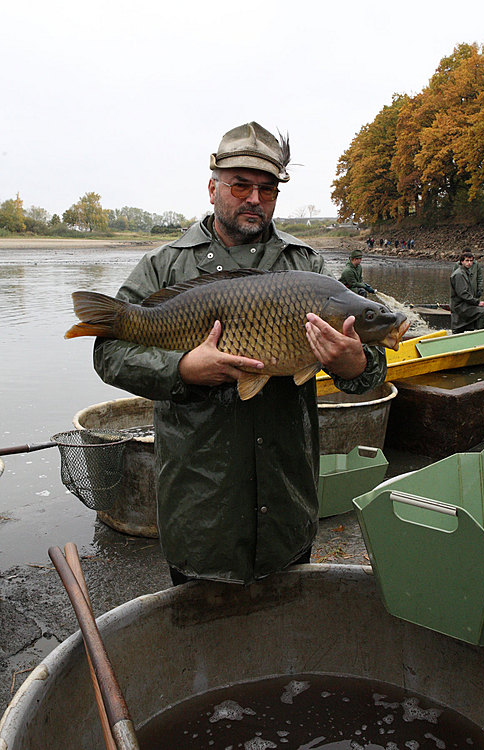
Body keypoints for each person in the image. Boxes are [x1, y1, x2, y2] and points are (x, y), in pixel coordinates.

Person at [94, 121, 387, 586]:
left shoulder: (306, 266)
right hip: (200, 512)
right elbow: (109, 355)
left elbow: (367, 365)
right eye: (241, 186)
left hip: (286, 502)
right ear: (213, 188)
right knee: (202, 641)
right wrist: (183, 369)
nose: (254, 199)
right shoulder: (164, 265)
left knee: (283, 636)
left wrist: (353, 364)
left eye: (267, 190)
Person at [450, 251, 484, 334]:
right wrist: (477, 302)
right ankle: (480, 335)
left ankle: (473, 332)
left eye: (471, 261)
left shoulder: (466, 272)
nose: (469, 263)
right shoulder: (459, 274)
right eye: (467, 261)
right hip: (460, 306)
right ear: (462, 262)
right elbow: (462, 293)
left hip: (465, 304)